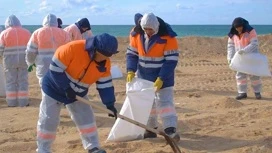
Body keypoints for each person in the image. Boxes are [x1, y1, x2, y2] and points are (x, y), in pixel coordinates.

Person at [36, 33, 118, 153]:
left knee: (86, 118)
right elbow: (55, 70)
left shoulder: (105, 64)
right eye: (101, 55)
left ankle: (92, 147)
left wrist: (110, 104)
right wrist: (66, 88)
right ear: (95, 48)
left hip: (78, 94)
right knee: (49, 119)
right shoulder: (71, 49)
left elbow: (105, 85)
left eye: (107, 56)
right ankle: (43, 149)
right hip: (53, 88)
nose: (103, 59)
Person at [126, 12, 180, 141]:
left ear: (156, 27)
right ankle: (151, 129)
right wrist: (130, 70)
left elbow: (171, 61)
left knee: (165, 103)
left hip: (163, 76)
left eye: (150, 29)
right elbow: (132, 54)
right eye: (145, 29)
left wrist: (161, 78)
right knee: (148, 103)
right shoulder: (136, 34)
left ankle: (170, 129)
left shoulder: (168, 37)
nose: (148, 32)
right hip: (144, 75)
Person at [25, 14, 70, 87]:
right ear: (56, 22)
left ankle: (46, 98)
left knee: (44, 84)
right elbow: (68, 51)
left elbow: (30, 50)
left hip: (43, 64)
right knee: (58, 84)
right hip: (59, 63)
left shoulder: (37, 33)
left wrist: (30, 62)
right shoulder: (64, 33)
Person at [227, 17, 262, 100]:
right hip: (239, 58)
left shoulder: (250, 31)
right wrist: (230, 58)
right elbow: (230, 46)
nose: (239, 29)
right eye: (237, 27)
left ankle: (257, 92)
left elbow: (254, 44)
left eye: (240, 27)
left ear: (243, 25)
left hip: (251, 57)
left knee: (254, 75)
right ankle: (242, 93)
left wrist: (244, 51)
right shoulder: (232, 34)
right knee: (240, 75)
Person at [0, 15, 31, 107]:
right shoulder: (27, 32)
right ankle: (23, 102)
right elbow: (31, 48)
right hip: (23, 60)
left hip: (9, 61)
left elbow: (0, 49)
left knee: (10, 81)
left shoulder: (4, 33)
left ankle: (11, 102)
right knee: (23, 81)